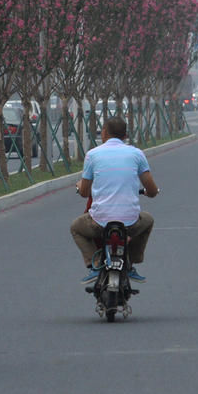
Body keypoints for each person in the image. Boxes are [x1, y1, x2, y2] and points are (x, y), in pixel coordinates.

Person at [71, 115, 159, 283]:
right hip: (130, 222)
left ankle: (94, 264)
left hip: (99, 221)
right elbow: (152, 189)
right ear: (125, 136)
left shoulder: (93, 155)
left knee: (76, 227)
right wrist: (150, 193)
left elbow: (84, 192)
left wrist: (79, 186)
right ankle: (131, 262)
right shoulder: (137, 154)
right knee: (148, 220)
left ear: (104, 133)